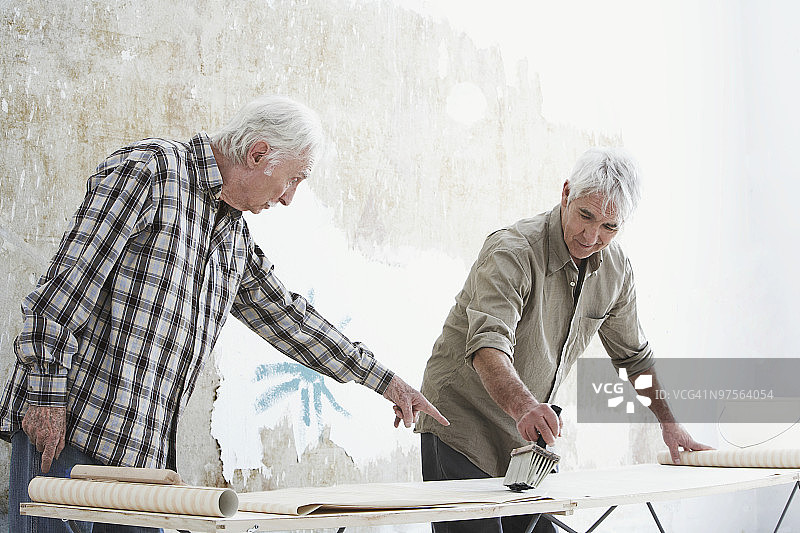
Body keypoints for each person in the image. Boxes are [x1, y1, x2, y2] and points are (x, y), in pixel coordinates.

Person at [0, 95, 449, 533]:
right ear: (259, 154)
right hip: (67, 430)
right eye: (293, 179)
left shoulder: (233, 237)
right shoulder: (152, 171)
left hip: (142, 455)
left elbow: (289, 318)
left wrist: (386, 381)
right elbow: (61, 293)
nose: (290, 198)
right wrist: (45, 398)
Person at [415, 147, 710, 533]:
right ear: (566, 193)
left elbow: (635, 358)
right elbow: (488, 345)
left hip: (525, 441)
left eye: (609, 227)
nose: (591, 236)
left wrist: (670, 424)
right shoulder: (513, 251)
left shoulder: (616, 270)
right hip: (462, 424)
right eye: (586, 215)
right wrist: (524, 408)